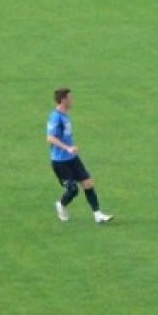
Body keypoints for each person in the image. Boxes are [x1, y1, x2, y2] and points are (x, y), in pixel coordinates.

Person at [46, 88, 114, 224]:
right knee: (73, 190)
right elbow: (50, 138)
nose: (72, 100)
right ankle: (61, 204)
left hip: (72, 159)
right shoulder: (56, 117)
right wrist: (68, 148)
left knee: (88, 183)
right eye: (70, 98)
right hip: (60, 162)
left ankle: (98, 215)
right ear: (63, 100)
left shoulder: (65, 115)